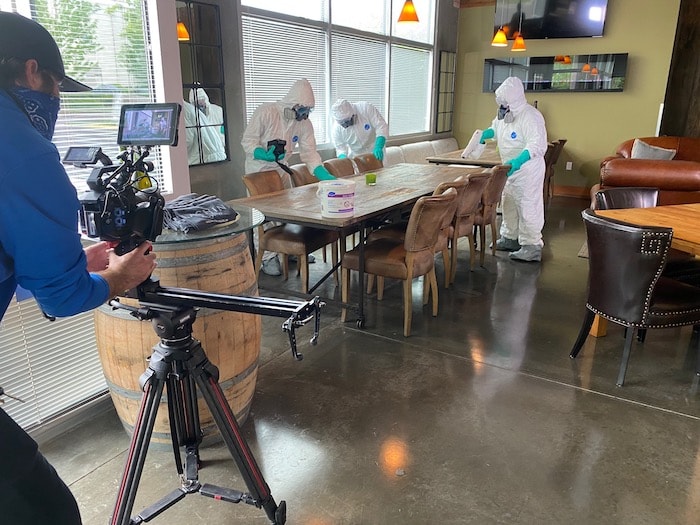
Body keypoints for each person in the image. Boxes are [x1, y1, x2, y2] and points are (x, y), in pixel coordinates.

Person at [0, 12, 157, 524]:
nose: (56, 99)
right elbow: (64, 298)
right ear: (31, 72)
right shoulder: (24, 150)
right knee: (49, 513)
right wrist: (118, 277)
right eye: (55, 85)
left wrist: (71, 263)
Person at [241, 78, 334, 276]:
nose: (304, 115)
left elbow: (309, 152)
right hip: (258, 171)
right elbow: (247, 141)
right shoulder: (266, 112)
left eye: (308, 111)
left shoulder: (303, 124)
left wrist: (323, 174)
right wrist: (262, 153)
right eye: (302, 110)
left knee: (287, 212)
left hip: (281, 170)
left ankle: (289, 249)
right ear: (292, 105)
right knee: (262, 215)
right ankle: (267, 258)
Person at [474, 76, 547, 262]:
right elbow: (495, 128)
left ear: (514, 101)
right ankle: (510, 237)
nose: (502, 107)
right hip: (509, 171)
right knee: (508, 204)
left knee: (527, 205)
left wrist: (518, 161)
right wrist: (483, 134)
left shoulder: (531, 116)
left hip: (527, 171)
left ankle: (532, 245)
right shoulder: (505, 115)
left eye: (505, 103)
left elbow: (536, 145)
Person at [184, 100, 226, 165]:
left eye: (201, 100)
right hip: (210, 154)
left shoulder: (184, 110)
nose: (200, 104)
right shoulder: (190, 109)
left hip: (207, 157)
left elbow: (187, 140)